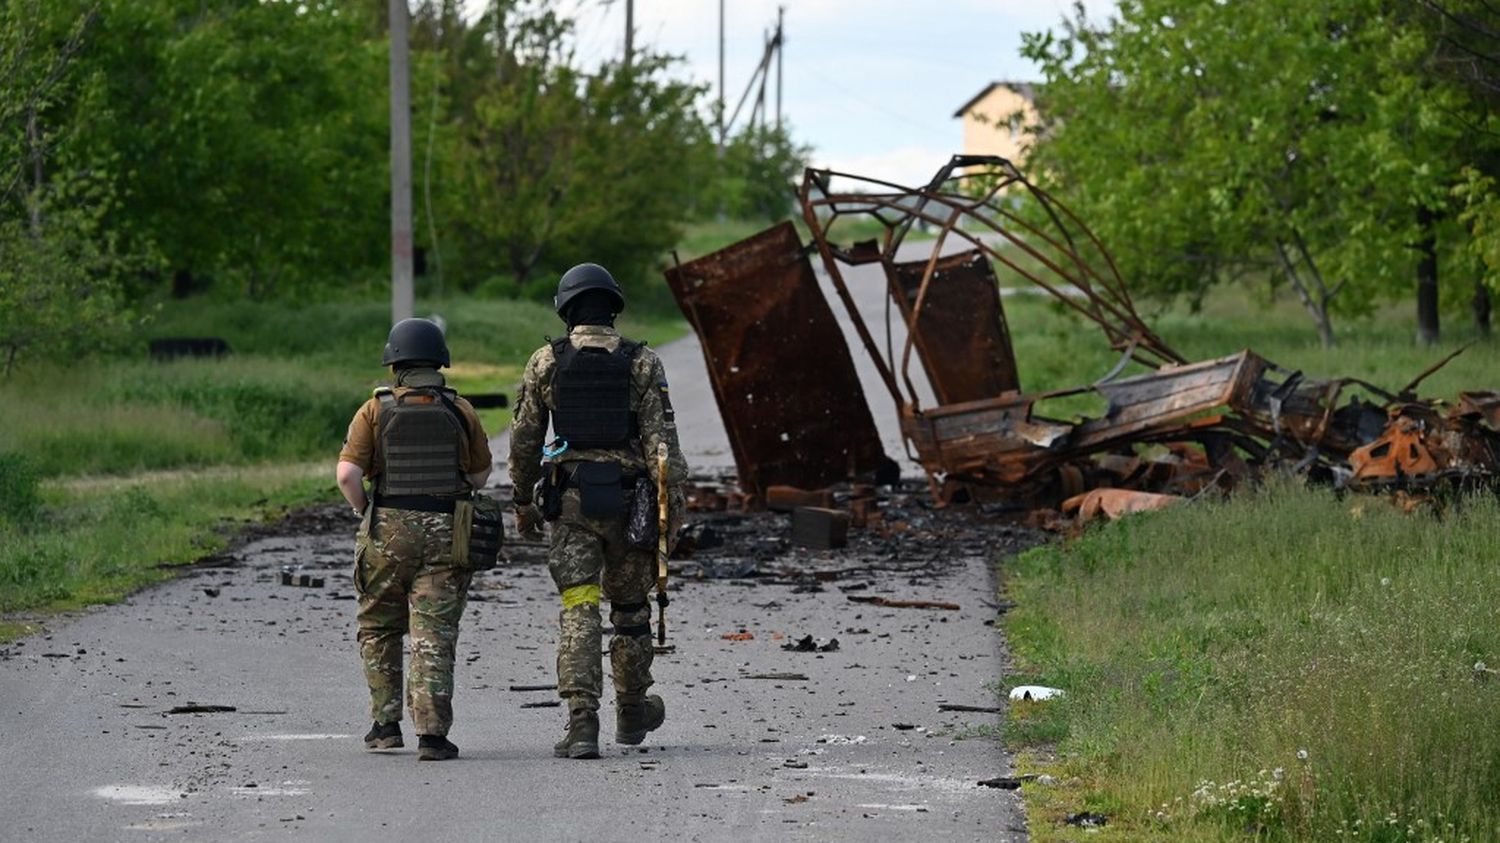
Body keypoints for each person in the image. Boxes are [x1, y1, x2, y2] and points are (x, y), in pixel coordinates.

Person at [510, 263, 688, 760]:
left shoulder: (545, 362)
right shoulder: (643, 363)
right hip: (631, 505)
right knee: (631, 611)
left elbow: (524, 441)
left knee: (580, 605)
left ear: (566, 309)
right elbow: (662, 450)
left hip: (570, 504)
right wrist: (671, 513)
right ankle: (631, 710)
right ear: (613, 307)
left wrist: (523, 501)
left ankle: (582, 722)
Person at [335, 318, 493, 761]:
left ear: (395, 364)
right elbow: (480, 477)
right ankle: (432, 735)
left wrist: (362, 509)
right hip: (447, 533)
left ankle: (385, 726)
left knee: (379, 625)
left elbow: (347, 474)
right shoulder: (460, 409)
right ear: (440, 361)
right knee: (434, 633)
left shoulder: (375, 410)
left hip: (387, 533)